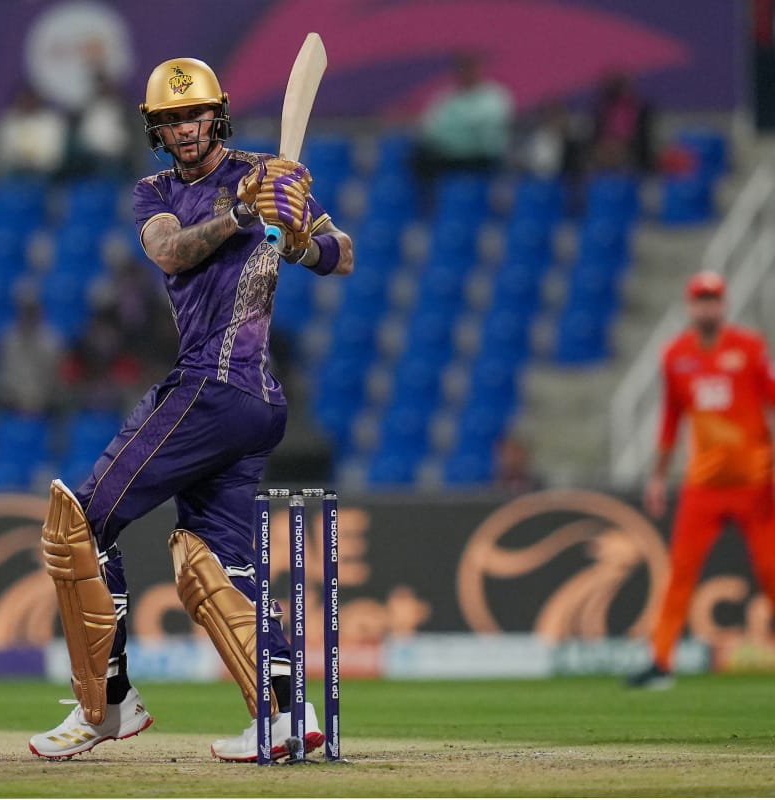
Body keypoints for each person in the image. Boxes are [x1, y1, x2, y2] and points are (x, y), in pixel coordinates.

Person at [27, 57, 353, 762]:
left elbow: (342, 254)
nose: (182, 128)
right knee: (215, 564)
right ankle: (287, 716)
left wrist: (300, 239)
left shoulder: (266, 171)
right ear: (155, 129)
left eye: (192, 114)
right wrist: (246, 212)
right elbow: (172, 254)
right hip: (251, 403)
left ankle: (107, 706)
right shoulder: (155, 194)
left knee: (79, 527)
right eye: (169, 119)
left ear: (218, 114)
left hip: (216, 385)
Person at [627, 272, 775, 689]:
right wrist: (657, 478)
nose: (706, 306)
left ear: (722, 304)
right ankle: (660, 662)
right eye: (700, 300)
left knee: (771, 572)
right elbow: (670, 422)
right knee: (680, 573)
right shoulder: (675, 355)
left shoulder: (749, 348)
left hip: (754, 484)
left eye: (713, 299)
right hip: (703, 486)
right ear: (689, 306)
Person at [412, 51, 514, 185]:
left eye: (470, 67)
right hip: (449, 156)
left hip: (483, 157)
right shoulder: (446, 97)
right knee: (417, 157)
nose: (466, 72)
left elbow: (487, 129)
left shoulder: (495, 96)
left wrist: (456, 131)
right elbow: (429, 128)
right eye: (462, 67)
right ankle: (430, 203)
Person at [589, 70, 654, 174]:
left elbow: (634, 131)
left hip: (627, 144)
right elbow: (599, 131)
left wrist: (619, 143)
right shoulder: (603, 106)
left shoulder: (634, 106)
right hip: (607, 143)